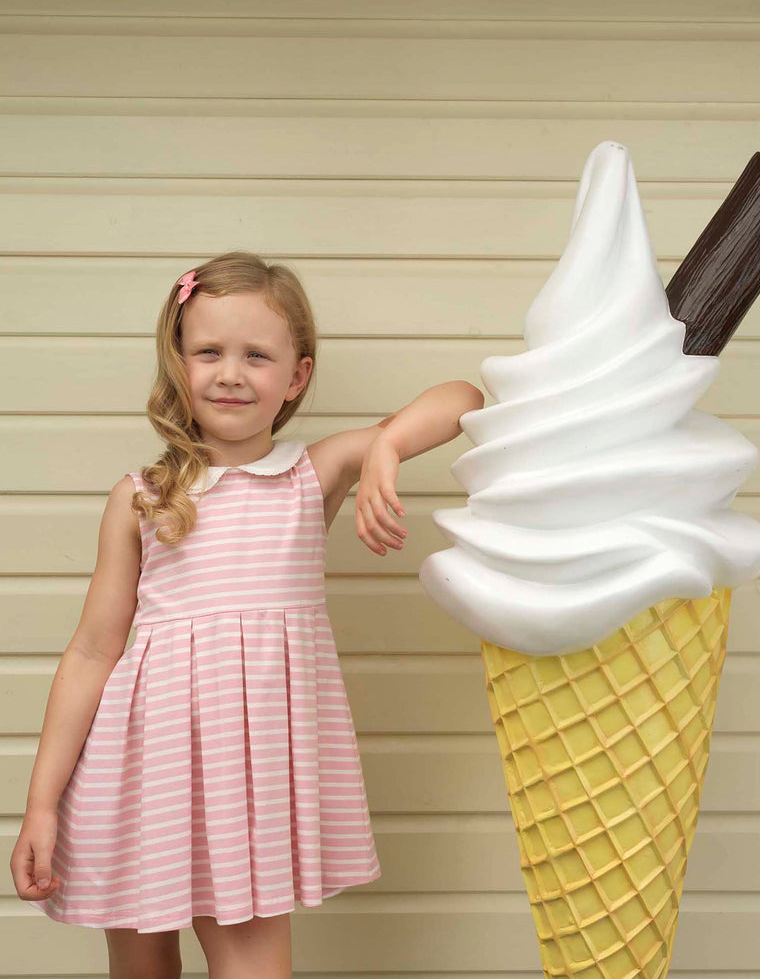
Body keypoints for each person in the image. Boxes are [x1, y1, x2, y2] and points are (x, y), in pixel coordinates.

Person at [9, 250, 484, 979]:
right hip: (141, 769)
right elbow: (91, 653)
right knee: (140, 963)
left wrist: (385, 442)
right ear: (178, 363)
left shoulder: (308, 475)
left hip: (246, 784)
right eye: (208, 351)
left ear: (296, 375)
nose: (230, 372)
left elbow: (465, 399)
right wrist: (41, 803)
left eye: (256, 355)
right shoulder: (141, 497)